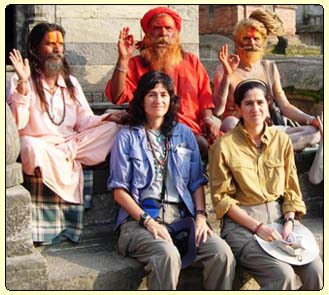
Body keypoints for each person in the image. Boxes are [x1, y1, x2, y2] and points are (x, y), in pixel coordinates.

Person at [108, 71, 235, 290]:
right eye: (152, 94)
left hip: (181, 218)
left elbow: (196, 182)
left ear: (171, 99)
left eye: (164, 95)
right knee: (167, 255)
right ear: (141, 100)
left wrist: (201, 217)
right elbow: (119, 191)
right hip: (139, 222)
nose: (158, 100)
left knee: (221, 253)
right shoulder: (127, 137)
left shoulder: (185, 135)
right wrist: (148, 221)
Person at [7, 22, 120, 244]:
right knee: (28, 144)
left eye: (60, 44)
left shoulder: (71, 83)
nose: (57, 49)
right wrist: (22, 84)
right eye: (50, 44)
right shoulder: (21, 80)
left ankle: (64, 158)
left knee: (114, 129)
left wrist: (108, 117)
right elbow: (17, 125)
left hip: (70, 144)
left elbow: (85, 120)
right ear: (35, 49)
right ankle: (66, 160)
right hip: (42, 145)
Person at [209, 79, 323, 290]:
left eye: (260, 102)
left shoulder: (282, 141)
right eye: (248, 104)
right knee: (282, 275)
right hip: (243, 227)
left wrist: (289, 222)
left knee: (317, 271)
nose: (255, 109)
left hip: (282, 222)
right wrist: (259, 228)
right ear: (238, 109)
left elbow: (291, 190)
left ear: (268, 105)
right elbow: (222, 200)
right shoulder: (224, 146)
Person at [105, 6, 221, 161]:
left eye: (168, 28)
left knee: (216, 146)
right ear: (147, 34)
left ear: (177, 34)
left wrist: (208, 119)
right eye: (157, 28)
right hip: (149, 128)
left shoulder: (191, 61)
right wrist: (123, 59)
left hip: (190, 129)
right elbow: (116, 96)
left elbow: (205, 100)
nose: (163, 34)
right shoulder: (136, 63)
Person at [213, 8, 321, 152]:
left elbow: (285, 106)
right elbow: (218, 111)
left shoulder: (269, 67)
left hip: (271, 131)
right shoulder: (225, 70)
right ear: (237, 43)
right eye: (246, 38)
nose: (252, 43)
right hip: (241, 130)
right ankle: (271, 149)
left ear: (263, 43)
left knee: (314, 133)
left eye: (256, 39)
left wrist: (311, 119)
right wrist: (227, 75)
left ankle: (267, 149)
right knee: (229, 123)